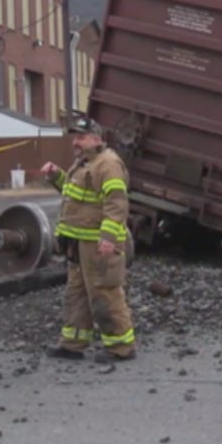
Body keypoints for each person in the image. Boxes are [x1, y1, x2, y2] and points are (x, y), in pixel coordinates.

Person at [40, 115, 137, 364]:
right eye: (75, 137)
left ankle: (121, 348)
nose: (76, 142)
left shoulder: (108, 164)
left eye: (81, 138)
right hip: (79, 244)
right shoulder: (84, 164)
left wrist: (108, 237)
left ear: (96, 139)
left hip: (98, 245)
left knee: (105, 293)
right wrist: (56, 176)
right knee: (77, 294)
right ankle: (72, 344)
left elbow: (116, 203)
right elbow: (76, 196)